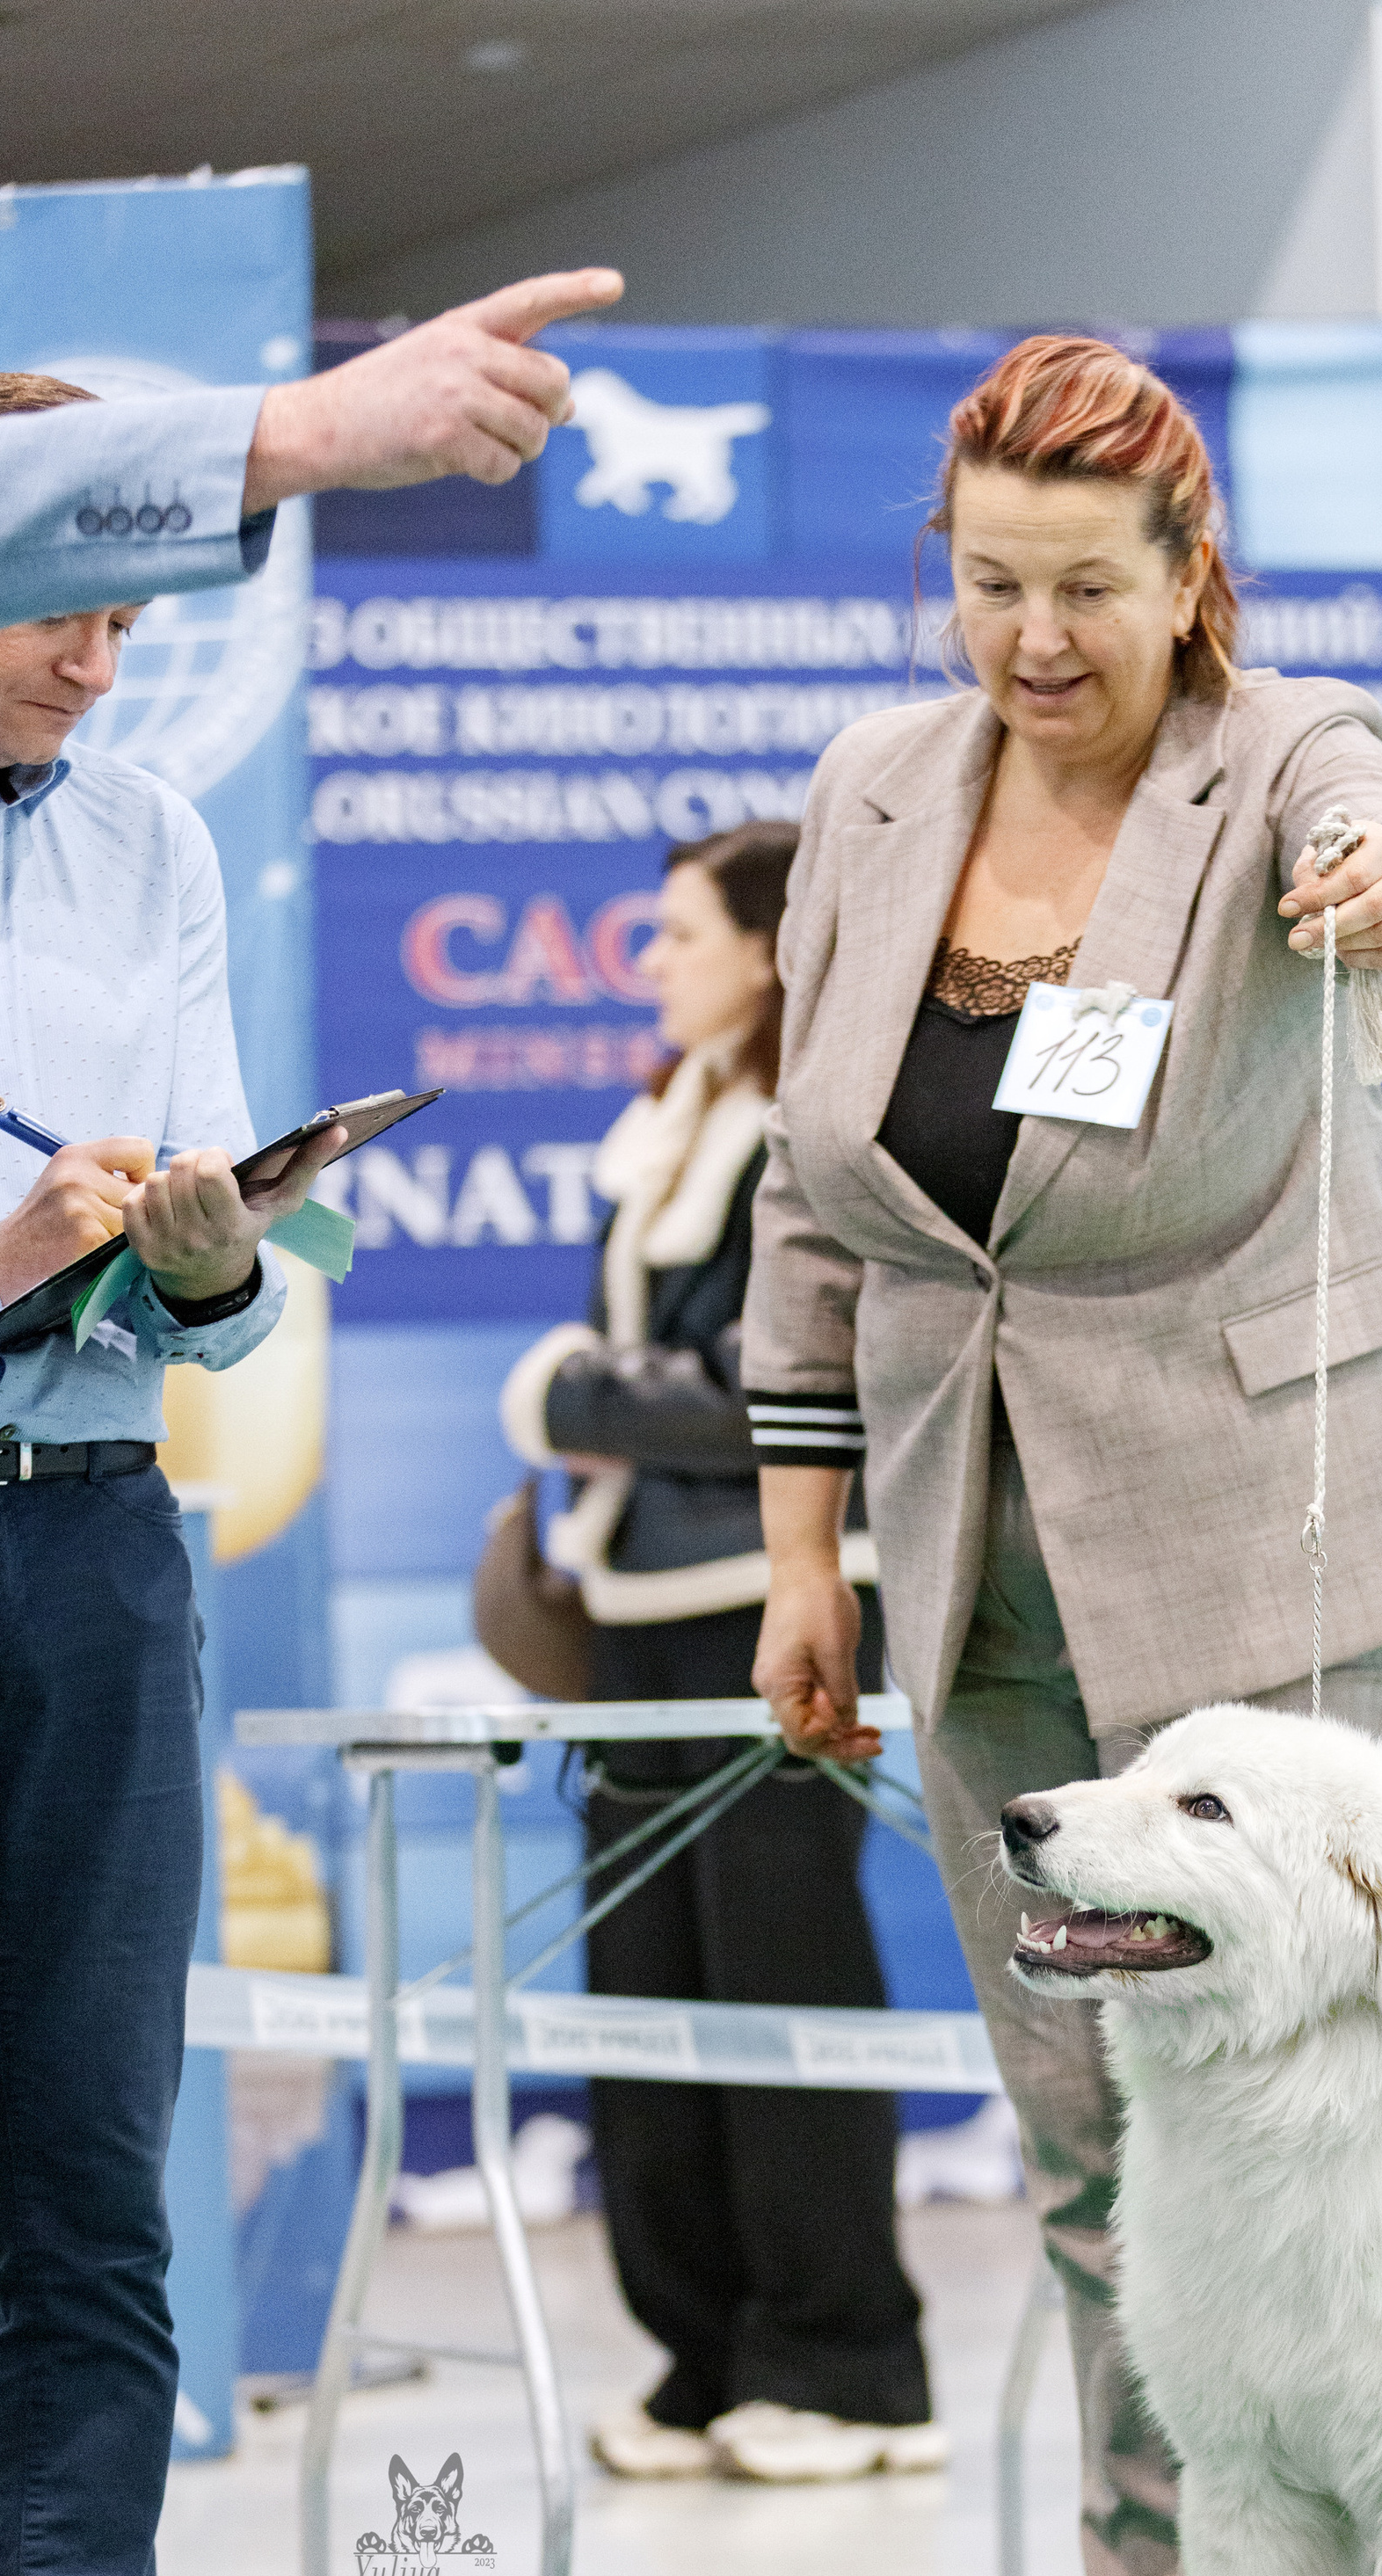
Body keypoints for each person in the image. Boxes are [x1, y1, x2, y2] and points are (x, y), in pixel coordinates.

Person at [739, 334, 1382, 2576]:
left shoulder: (1283, 760)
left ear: (1188, 576)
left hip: (1258, 1540)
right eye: (989, 584)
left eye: (1085, 588)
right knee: (1091, 2164)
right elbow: (812, 1200)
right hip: (980, 1575)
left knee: (1317, 2160)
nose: (1034, 638)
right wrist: (808, 1548)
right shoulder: (868, 800)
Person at [0, 273, 622, 2576]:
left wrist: (216, 1247)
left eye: (129, 599)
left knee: (89, 2199)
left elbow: (225, 1265)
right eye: (64, 582)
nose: (100, 641)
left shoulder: (142, 841)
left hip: (98, 1538)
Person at [501, 826, 939, 2485]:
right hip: (634, 1610)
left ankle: (848, 2365)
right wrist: (606, 1402)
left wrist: (565, 1398)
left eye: (682, 932)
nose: (657, 960)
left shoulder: (814, 1133)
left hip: (790, 1592)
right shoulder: (671, 1118)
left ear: (769, 949)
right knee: (652, 1984)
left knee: (780, 1973)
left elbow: (780, 1386)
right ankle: (702, 2351)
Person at [0, 269, 622, 626]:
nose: (95, 675)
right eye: (47, 609)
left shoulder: (147, 830)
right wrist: (317, 426)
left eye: (120, 632)